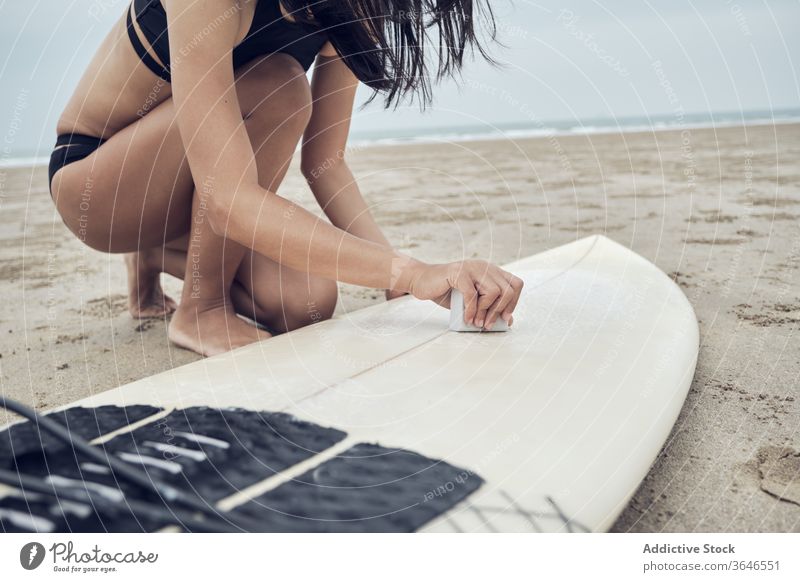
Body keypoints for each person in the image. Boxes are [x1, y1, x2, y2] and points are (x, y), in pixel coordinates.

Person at [48, 0, 523, 357]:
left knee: (306, 302)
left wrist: (396, 275)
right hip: (101, 188)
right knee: (279, 87)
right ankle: (202, 309)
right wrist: (414, 274)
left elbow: (325, 161)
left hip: (197, 188)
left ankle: (157, 252)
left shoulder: (351, 8)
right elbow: (230, 199)